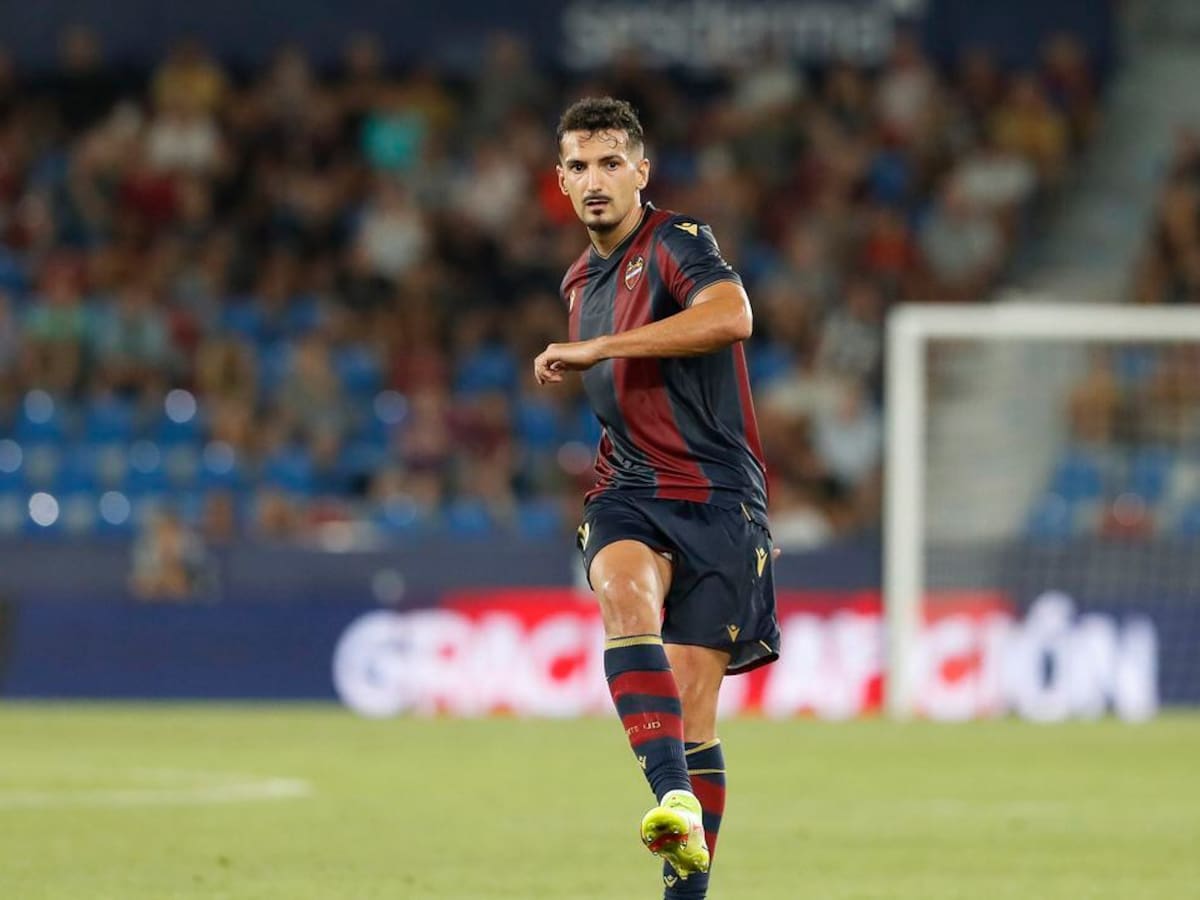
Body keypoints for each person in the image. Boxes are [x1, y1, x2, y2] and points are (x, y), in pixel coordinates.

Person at [534, 97, 780, 899]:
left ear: (641, 171)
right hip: (629, 487)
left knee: (695, 712)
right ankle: (672, 797)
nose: (595, 180)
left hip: (717, 497)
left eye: (611, 163)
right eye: (579, 166)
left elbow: (732, 316)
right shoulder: (579, 280)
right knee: (623, 591)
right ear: (561, 181)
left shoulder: (677, 241)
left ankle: (685, 886)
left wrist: (602, 346)